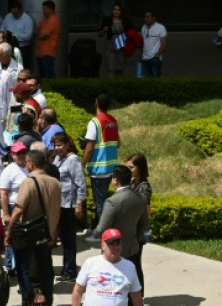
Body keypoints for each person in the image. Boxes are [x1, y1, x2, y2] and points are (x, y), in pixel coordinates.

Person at [5, 150, 60, 306]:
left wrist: (9, 231)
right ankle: (47, 304)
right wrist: (53, 233)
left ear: (31, 163)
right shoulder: (55, 183)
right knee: (45, 270)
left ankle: (28, 305)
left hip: (28, 235)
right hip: (46, 234)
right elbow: (57, 211)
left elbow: (18, 210)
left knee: (25, 269)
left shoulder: (28, 182)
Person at [96, 165, 150, 292]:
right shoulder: (140, 198)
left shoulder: (112, 201)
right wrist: (134, 239)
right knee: (132, 282)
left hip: (113, 249)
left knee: (113, 286)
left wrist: (94, 236)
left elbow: (102, 227)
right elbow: (144, 224)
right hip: (133, 248)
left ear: (115, 180)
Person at [82, 94, 119, 242]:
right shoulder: (113, 120)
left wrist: (82, 164)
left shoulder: (94, 122)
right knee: (103, 200)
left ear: (96, 103)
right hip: (111, 167)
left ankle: (100, 234)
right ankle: (97, 227)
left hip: (98, 169)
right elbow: (118, 142)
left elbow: (89, 147)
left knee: (100, 203)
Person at [51, 132, 84, 281]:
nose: (57, 148)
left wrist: (79, 204)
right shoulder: (58, 159)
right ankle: (66, 268)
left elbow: (80, 184)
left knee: (69, 240)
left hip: (69, 205)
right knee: (63, 239)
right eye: (55, 145)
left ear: (67, 144)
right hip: (59, 204)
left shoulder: (73, 160)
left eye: (59, 145)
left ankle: (70, 271)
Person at [126, 153, 152, 292]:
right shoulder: (132, 182)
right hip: (131, 228)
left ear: (139, 168)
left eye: (131, 167)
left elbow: (145, 209)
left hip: (138, 230)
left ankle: (139, 294)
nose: (129, 170)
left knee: (135, 262)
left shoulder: (144, 186)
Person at [0, 1, 34, 69]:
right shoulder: (8, 16)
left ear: (21, 10)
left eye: (16, 13)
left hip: (23, 48)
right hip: (9, 46)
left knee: (22, 66)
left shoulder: (27, 19)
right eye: (13, 13)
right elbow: (2, 28)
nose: (15, 15)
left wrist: (14, 36)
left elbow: (28, 36)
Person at [100, 3, 130, 78]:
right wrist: (103, 30)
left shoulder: (125, 20)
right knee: (111, 70)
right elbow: (100, 34)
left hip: (122, 47)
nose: (116, 12)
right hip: (110, 48)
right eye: (114, 9)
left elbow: (131, 32)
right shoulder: (107, 20)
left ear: (121, 11)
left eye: (118, 10)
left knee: (120, 71)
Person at [35, 1, 60, 79]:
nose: (43, 11)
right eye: (43, 9)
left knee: (49, 76)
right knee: (42, 77)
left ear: (51, 9)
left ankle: (52, 91)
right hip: (41, 53)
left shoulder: (53, 20)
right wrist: (39, 32)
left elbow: (40, 35)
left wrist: (39, 32)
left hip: (48, 54)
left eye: (45, 9)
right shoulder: (44, 20)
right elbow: (36, 31)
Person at [139, 11, 167, 78]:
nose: (146, 19)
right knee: (145, 80)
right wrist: (141, 56)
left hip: (155, 59)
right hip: (144, 58)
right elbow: (143, 43)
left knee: (155, 81)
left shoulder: (161, 28)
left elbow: (164, 44)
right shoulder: (143, 27)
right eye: (145, 17)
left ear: (154, 18)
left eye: (148, 17)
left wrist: (157, 56)